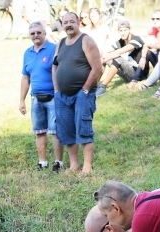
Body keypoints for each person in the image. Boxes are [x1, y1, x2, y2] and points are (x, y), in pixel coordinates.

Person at [52, 12, 102, 173]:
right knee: (66, 130)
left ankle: (87, 166)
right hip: (62, 96)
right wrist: (56, 90)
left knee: (84, 128)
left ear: (78, 22)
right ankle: (74, 165)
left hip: (82, 94)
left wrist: (85, 89)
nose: (68, 25)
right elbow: (55, 66)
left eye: (72, 21)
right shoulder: (60, 43)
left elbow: (97, 68)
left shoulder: (86, 40)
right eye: (65, 22)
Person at [20, 21, 64, 172]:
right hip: (35, 98)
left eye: (39, 32)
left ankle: (58, 162)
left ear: (45, 33)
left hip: (53, 97)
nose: (36, 35)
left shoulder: (53, 49)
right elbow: (25, 78)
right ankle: (42, 162)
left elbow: (60, 71)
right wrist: (22, 100)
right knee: (39, 131)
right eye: (32, 33)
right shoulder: (27, 53)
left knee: (55, 131)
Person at [96, 20, 145, 95]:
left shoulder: (136, 39)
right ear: (118, 31)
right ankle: (95, 84)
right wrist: (99, 55)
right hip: (127, 72)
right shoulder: (121, 41)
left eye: (125, 30)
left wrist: (104, 59)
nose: (123, 32)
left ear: (130, 30)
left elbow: (119, 52)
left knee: (118, 59)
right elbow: (107, 50)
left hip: (138, 74)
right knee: (105, 56)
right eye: (121, 30)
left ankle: (103, 86)